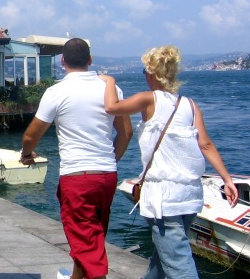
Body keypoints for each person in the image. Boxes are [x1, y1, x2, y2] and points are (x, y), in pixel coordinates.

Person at [101, 45, 238, 279]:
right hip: (190, 195)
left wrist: (109, 81)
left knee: (178, 264)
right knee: (163, 257)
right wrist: (227, 180)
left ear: (152, 73)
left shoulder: (148, 99)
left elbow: (111, 107)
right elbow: (206, 145)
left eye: (145, 70)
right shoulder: (190, 105)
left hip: (165, 197)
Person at [20, 38, 133, 279]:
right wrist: (110, 160)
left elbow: (31, 135)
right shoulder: (111, 90)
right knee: (93, 236)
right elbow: (126, 132)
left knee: (85, 242)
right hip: (106, 175)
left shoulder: (56, 92)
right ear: (90, 60)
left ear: (62, 61)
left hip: (77, 177)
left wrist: (26, 154)